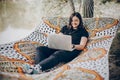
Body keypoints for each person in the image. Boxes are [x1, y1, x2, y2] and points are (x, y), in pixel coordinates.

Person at [23, 12, 89, 74]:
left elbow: (82, 46)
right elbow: (59, 37)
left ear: (80, 21)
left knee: (58, 54)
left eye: (76, 20)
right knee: (40, 49)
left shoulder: (83, 31)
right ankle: (38, 68)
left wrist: (73, 46)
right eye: (72, 20)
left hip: (71, 51)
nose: (73, 22)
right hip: (60, 47)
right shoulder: (65, 28)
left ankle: (37, 68)